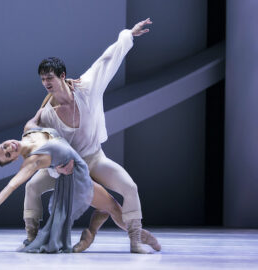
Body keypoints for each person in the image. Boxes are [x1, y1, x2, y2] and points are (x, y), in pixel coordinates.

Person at [23, 18, 161, 253]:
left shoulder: (85, 88)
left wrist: (128, 35)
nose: (46, 82)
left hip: (94, 159)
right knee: (32, 187)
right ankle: (32, 237)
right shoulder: (47, 114)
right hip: (68, 170)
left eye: (50, 77)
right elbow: (41, 149)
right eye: (43, 79)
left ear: (62, 75)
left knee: (129, 188)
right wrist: (56, 170)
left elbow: (106, 61)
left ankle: (136, 240)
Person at [0, 121, 129, 253]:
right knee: (113, 207)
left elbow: (47, 104)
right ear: (13, 159)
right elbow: (11, 185)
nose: (10, 148)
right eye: (7, 154)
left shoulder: (30, 128)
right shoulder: (31, 162)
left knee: (110, 207)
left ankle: (102, 231)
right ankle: (138, 235)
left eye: (4, 146)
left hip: (83, 162)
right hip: (76, 179)